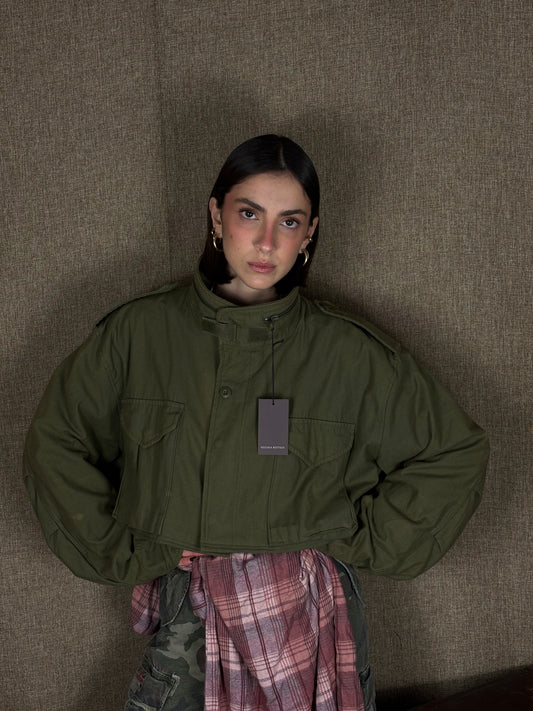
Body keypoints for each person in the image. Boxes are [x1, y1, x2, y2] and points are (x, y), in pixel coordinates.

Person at [23, 135, 489, 711]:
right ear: (216, 214)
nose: (267, 242)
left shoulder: (351, 353)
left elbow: (453, 452)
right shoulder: (137, 334)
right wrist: (134, 549)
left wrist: (352, 536)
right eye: (249, 214)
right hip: (189, 623)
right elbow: (56, 443)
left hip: (312, 623)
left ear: (309, 233)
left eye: (288, 221)